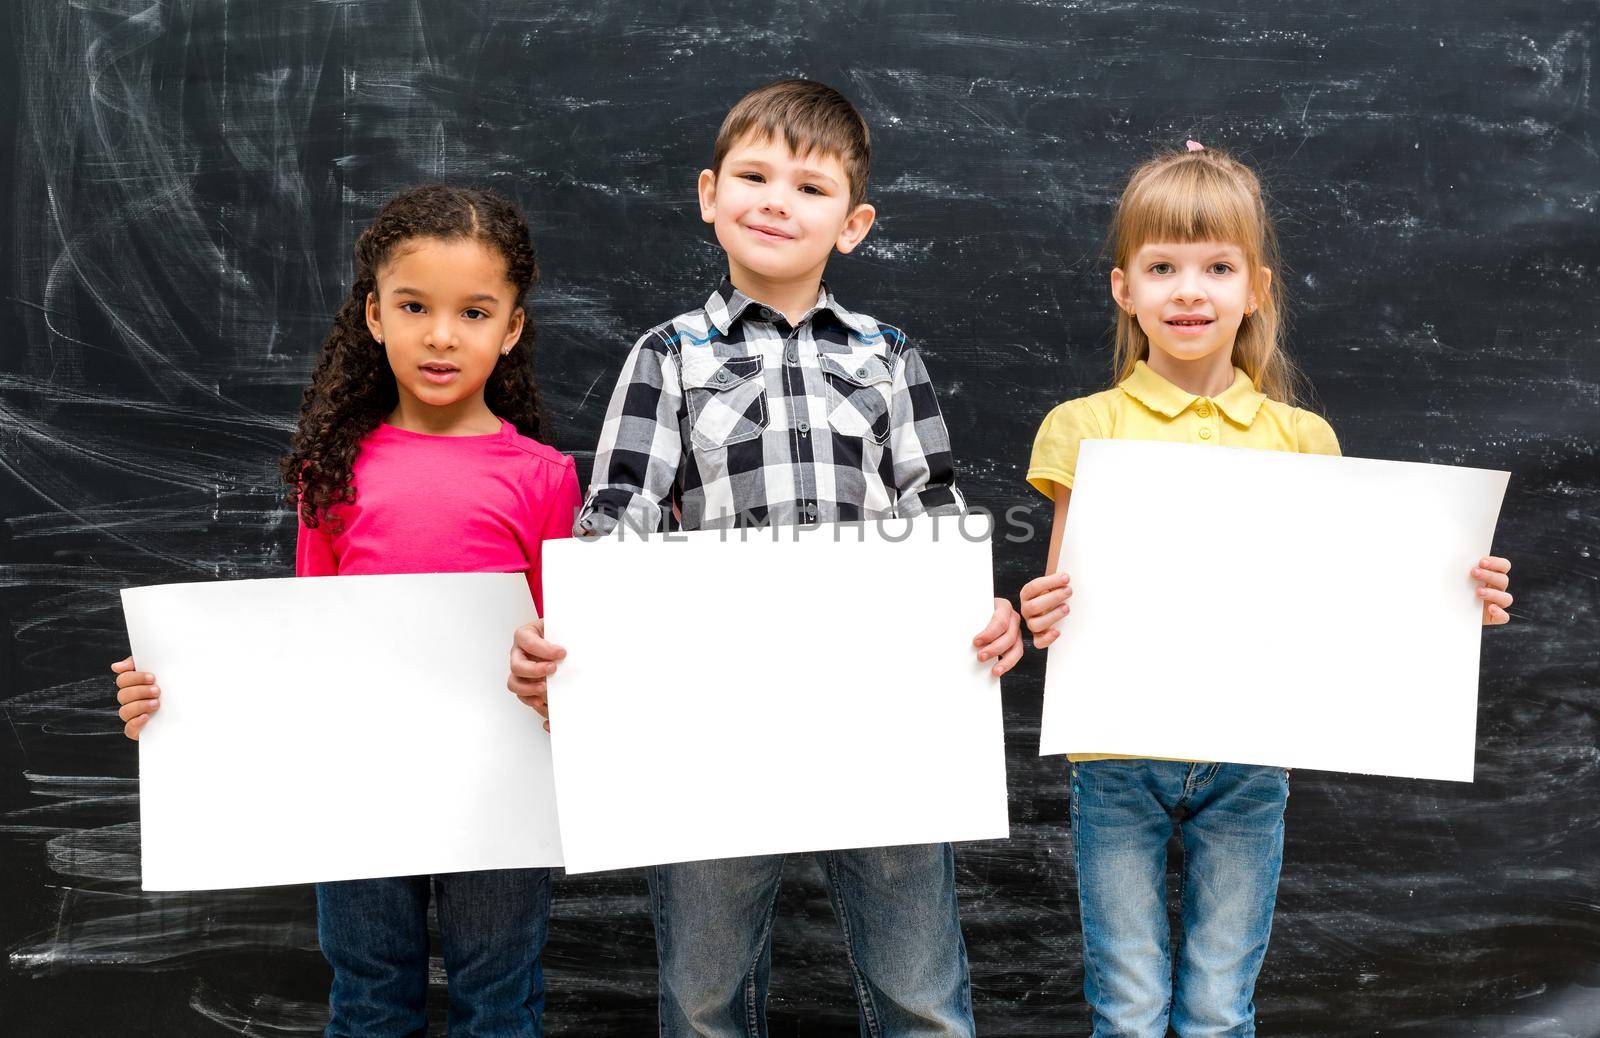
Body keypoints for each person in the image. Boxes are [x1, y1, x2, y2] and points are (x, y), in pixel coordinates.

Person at [506, 79, 1022, 1037]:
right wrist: (573, 627)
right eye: (753, 175)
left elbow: (935, 504)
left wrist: (980, 609)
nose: (777, 199)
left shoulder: (889, 356)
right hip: (714, 718)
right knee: (704, 999)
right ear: (709, 195)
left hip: (884, 711)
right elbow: (621, 509)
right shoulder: (667, 357)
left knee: (920, 990)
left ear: (854, 223)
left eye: (810, 186)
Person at [1018, 141, 1515, 1038]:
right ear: (1123, 289)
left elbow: (1348, 601)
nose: (1189, 291)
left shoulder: (1302, 437)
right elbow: (1060, 596)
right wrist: (1042, 611)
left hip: (1250, 759)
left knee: (1217, 1006)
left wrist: (1453, 605)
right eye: (1161, 267)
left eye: (1217, 267)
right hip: (1118, 754)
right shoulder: (1083, 427)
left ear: (1257, 289)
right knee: (1127, 1008)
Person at [112, 185, 579, 1038]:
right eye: (414, 306)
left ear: (510, 329)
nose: (442, 335)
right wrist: (172, 701)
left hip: (501, 792)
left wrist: (564, 693)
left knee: (500, 1002)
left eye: (474, 312)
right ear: (374, 315)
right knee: (369, 1000)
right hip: (358, 783)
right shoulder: (331, 470)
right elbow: (303, 642)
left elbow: (560, 651)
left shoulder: (544, 475)